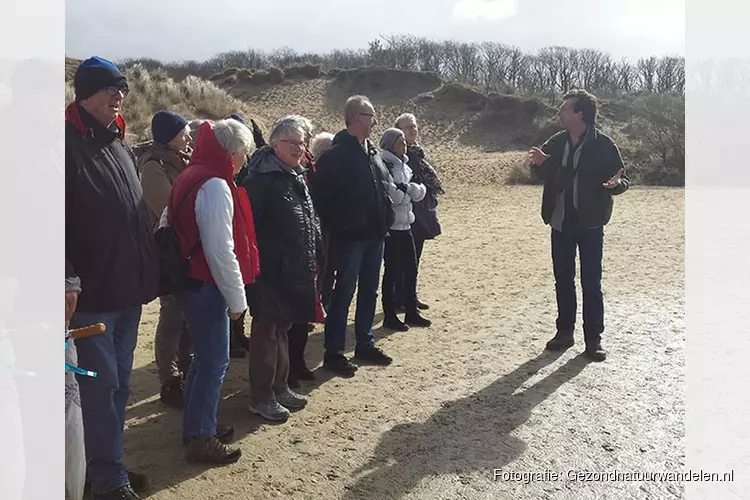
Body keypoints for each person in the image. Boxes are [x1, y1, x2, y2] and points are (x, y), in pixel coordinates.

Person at [65, 56, 159, 500]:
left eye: (121, 87)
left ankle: (105, 467)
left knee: (118, 386)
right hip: (93, 294)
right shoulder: (63, 144)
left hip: (128, 290)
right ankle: (105, 479)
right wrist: (66, 278)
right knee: (98, 390)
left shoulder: (118, 144)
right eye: (108, 88)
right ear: (84, 93)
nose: (118, 95)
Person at [162, 118, 260, 463]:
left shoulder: (191, 173)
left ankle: (197, 427)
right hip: (204, 284)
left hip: (190, 281)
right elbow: (220, 250)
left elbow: (166, 221)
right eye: (244, 152)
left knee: (203, 360)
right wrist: (237, 300)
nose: (245, 158)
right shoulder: (216, 185)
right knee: (213, 360)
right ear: (232, 152)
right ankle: (201, 437)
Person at [528, 89, 630, 362]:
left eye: (565, 108)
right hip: (560, 222)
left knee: (591, 282)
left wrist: (616, 185)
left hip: (591, 224)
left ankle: (593, 340)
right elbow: (540, 172)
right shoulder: (557, 141)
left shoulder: (604, 145)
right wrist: (538, 165)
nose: (559, 112)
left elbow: (622, 179)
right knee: (563, 280)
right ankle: (564, 333)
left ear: (580, 114)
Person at [241, 116, 321, 421]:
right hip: (268, 273)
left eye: (302, 143)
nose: (299, 148)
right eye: (292, 143)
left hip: (292, 269)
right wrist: (259, 270)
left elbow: (307, 222)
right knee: (266, 333)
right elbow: (250, 228)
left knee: (283, 330)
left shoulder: (294, 175)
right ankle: (261, 396)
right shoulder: (261, 178)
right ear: (275, 144)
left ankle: (280, 386)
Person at [312, 95, 394, 377]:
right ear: (356, 117)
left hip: (375, 235)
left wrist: (387, 215)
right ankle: (334, 352)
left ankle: (364, 344)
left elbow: (382, 188)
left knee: (369, 290)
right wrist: (341, 225)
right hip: (350, 238)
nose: (375, 122)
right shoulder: (335, 156)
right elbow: (320, 198)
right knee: (343, 293)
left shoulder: (372, 154)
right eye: (371, 116)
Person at [138, 110, 194, 409]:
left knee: (187, 317)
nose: (188, 138)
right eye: (183, 133)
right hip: (169, 250)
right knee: (172, 315)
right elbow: (167, 207)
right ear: (168, 136)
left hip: (188, 248)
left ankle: (186, 370)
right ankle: (168, 378)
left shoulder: (182, 160)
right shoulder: (153, 166)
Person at [378, 128, 431, 331]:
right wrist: (409, 190)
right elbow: (395, 196)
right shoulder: (386, 165)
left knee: (411, 269)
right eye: (400, 142)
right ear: (391, 144)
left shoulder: (405, 164)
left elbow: (420, 191)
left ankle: (411, 312)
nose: (404, 145)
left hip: (407, 223)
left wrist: (406, 188)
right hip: (392, 227)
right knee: (391, 272)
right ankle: (390, 315)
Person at [394, 113, 444, 311]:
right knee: (403, 260)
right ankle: (400, 298)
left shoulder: (418, 153)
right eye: (407, 127)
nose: (412, 130)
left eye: (414, 126)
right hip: (407, 212)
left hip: (422, 211)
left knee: (415, 258)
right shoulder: (399, 157)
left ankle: (410, 296)